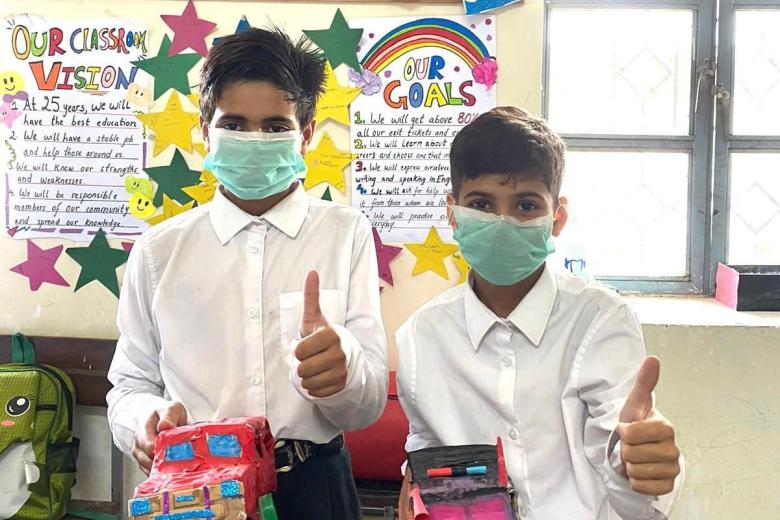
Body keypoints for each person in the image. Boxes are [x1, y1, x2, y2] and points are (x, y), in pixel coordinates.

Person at [107, 27, 387, 519]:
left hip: (315, 484)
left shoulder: (345, 233)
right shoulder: (157, 252)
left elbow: (364, 408)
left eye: (275, 127)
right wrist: (144, 420)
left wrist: (343, 374)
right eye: (234, 124)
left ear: (305, 134)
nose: (255, 140)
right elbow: (129, 384)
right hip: (196, 485)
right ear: (205, 130)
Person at [396, 107, 683, 519]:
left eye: (526, 205)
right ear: (452, 213)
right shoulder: (421, 336)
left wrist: (640, 463)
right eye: (481, 203)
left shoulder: (601, 321)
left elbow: (629, 483)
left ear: (557, 218)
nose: (502, 222)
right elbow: (425, 454)